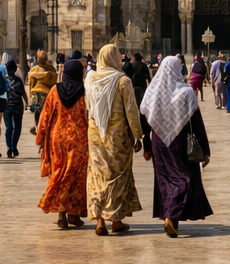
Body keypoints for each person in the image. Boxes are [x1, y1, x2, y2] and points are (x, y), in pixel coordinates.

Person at [140, 55, 214, 238]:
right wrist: (205, 150)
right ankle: (171, 217)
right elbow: (197, 123)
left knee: (165, 179)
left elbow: (144, 120)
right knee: (184, 178)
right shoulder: (186, 93)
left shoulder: (152, 92)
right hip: (180, 142)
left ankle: (170, 216)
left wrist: (147, 145)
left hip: (159, 142)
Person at [85, 44, 143, 235]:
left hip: (95, 133)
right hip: (117, 136)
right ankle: (116, 220)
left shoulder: (91, 78)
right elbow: (131, 111)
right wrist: (138, 135)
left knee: (97, 175)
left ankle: (99, 221)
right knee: (117, 176)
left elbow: (89, 106)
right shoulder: (122, 81)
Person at [36, 55, 89, 228]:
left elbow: (44, 117)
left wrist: (41, 137)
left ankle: (62, 215)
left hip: (57, 140)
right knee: (76, 177)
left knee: (58, 173)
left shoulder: (54, 91)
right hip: (79, 142)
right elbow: (88, 117)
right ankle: (73, 213)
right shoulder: (84, 92)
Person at [27, 49, 57, 135]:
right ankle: (46, 127)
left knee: (37, 111)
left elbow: (31, 83)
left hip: (37, 93)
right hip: (48, 93)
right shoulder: (52, 70)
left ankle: (37, 127)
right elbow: (54, 82)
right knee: (46, 112)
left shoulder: (34, 70)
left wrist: (30, 94)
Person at [4, 56, 27, 158]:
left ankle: (10, 147)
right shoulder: (18, 80)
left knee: (9, 127)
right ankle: (13, 146)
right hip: (17, 106)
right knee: (16, 128)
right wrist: (26, 102)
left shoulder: (4, 80)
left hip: (7, 106)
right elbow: (23, 93)